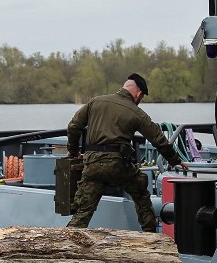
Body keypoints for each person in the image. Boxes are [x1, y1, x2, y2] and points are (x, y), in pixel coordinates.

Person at [66, 73, 189, 232]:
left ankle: (68, 239)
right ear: (138, 93)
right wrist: (175, 160)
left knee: (84, 210)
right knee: (141, 196)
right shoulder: (136, 113)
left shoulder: (95, 102)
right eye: (142, 97)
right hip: (119, 165)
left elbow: (74, 126)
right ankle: (150, 236)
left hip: (92, 164)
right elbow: (159, 140)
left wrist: (73, 151)